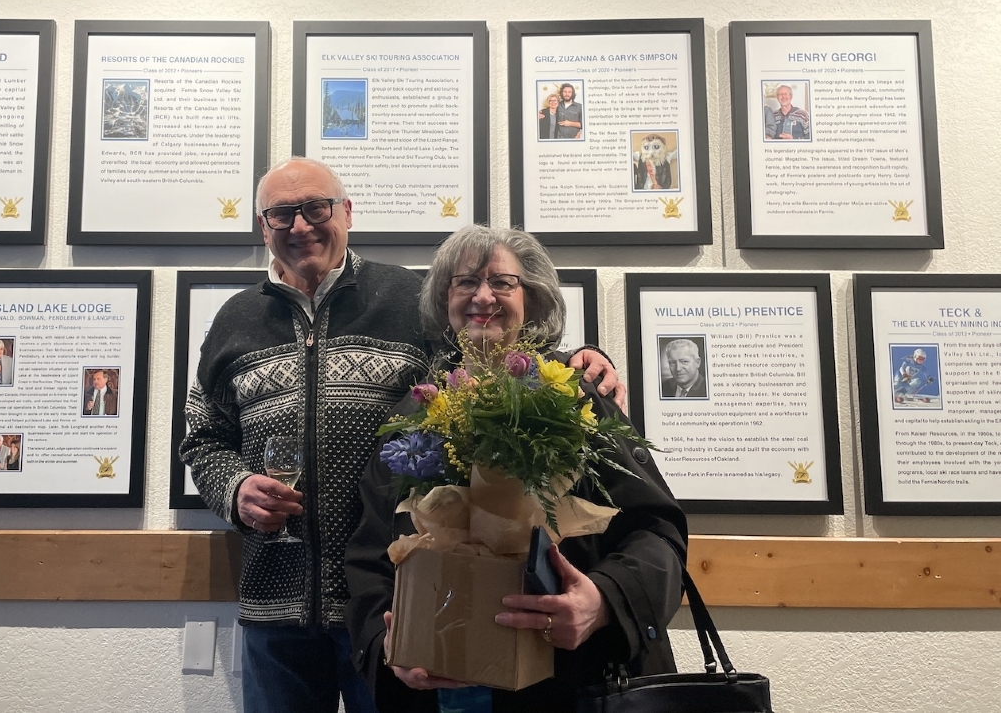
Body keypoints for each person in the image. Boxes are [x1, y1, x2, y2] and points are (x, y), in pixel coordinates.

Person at [179, 157, 622, 713]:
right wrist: (236, 488)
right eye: (281, 214)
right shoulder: (233, 320)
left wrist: (584, 359)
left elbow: (489, 357)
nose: (300, 226)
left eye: (315, 208)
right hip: (276, 606)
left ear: (346, 213)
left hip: (395, 606)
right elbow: (202, 438)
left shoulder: (406, 299)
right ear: (262, 226)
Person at [344, 225, 687, 712]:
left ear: (534, 299)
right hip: (441, 688)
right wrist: (388, 649)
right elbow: (370, 556)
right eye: (466, 283)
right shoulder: (414, 413)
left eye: (502, 283)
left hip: (578, 683)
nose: (483, 296)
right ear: (446, 301)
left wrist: (603, 601)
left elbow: (656, 528)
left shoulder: (576, 397)